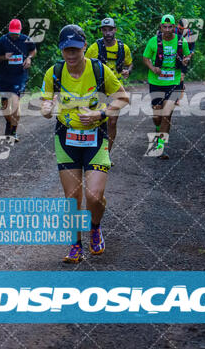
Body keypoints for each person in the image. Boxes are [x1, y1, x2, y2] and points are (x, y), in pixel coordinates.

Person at [41, 24, 129, 263]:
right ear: (61, 50)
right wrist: (47, 109)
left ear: (83, 48)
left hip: (95, 138)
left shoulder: (99, 70)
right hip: (66, 138)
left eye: (75, 50)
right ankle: (75, 244)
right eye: (66, 50)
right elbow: (45, 103)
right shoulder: (54, 73)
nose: (71, 55)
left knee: (94, 196)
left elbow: (123, 97)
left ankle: (96, 226)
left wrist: (100, 115)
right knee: (72, 196)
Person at [143, 14, 190, 159]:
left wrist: (186, 60)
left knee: (166, 114)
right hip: (156, 82)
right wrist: (153, 68)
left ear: (174, 27)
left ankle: (160, 147)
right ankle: (158, 129)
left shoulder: (181, 41)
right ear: (160, 27)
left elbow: (187, 56)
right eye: (165, 27)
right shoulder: (153, 42)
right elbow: (145, 58)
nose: (168, 30)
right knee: (157, 116)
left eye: (170, 27)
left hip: (173, 82)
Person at [86, 17, 133, 156]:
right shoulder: (94, 48)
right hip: (98, 88)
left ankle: (106, 154)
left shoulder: (123, 48)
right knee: (96, 121)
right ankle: (92, 152)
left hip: (115, 88)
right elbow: (85, 65)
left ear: (115, 30)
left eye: (110, 30)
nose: (108, 33)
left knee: (112, 122)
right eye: (105, 30)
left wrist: (128, 71)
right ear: (101, 31)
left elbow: (130, 63)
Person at [0, 19, 36, 142]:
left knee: (15, 103)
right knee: (5, 106)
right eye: (12, 33)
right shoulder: (2, 41)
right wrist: (3, 57)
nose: (14, 35)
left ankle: (13, 132)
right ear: (9, 30)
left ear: (20, 30)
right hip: (5, 77)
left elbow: (33, 50)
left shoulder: (26, 40)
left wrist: (29, 58)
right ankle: (9, 124)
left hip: (19, 76)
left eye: (16, 33)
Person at [174, 18, 195, 105]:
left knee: (181, 77)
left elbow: (192, 50)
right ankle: (180, 87)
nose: (182, 31)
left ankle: (177, 99)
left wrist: (188, 56)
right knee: (174, 78)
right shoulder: (173, 32)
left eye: (184, 30)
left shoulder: (191, 34)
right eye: (180, 29)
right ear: (177, 26)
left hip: (184, 58)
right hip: (173, 58)